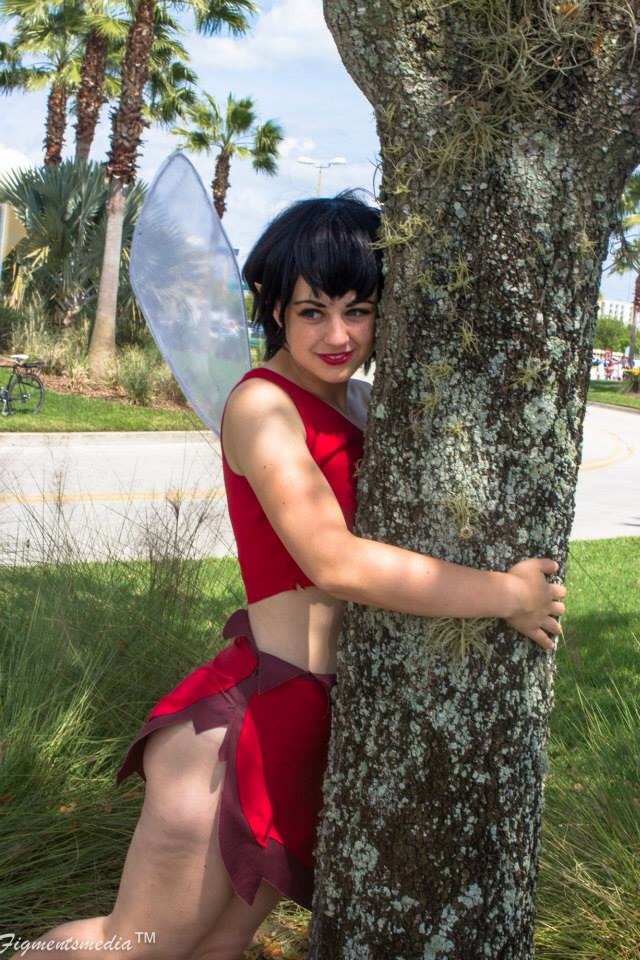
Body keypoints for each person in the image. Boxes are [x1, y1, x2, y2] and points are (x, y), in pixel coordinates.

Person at [21, 193, 565, 960]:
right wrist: (507, 594)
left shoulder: (367, 405)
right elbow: (333, 561)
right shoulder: (262, 407)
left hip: (310, 734)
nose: (338, 335)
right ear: (274, 307)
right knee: (133, 945)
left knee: (218, 947)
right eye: (312, 312)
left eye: (358, 311)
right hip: (237, 730)